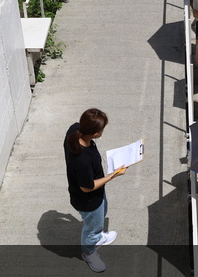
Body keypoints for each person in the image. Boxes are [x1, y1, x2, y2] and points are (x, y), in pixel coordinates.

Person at [64, 108, 127, 273]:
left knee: (102, 212)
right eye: (101, 129)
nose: (102, 132)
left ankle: (98, 236)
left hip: (94, 195)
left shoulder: (74, 130)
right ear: (95, 134)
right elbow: (87, 187)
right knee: (92, 228)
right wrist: (114, 175)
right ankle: (89, 252)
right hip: (88, 200)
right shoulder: (82, 159)